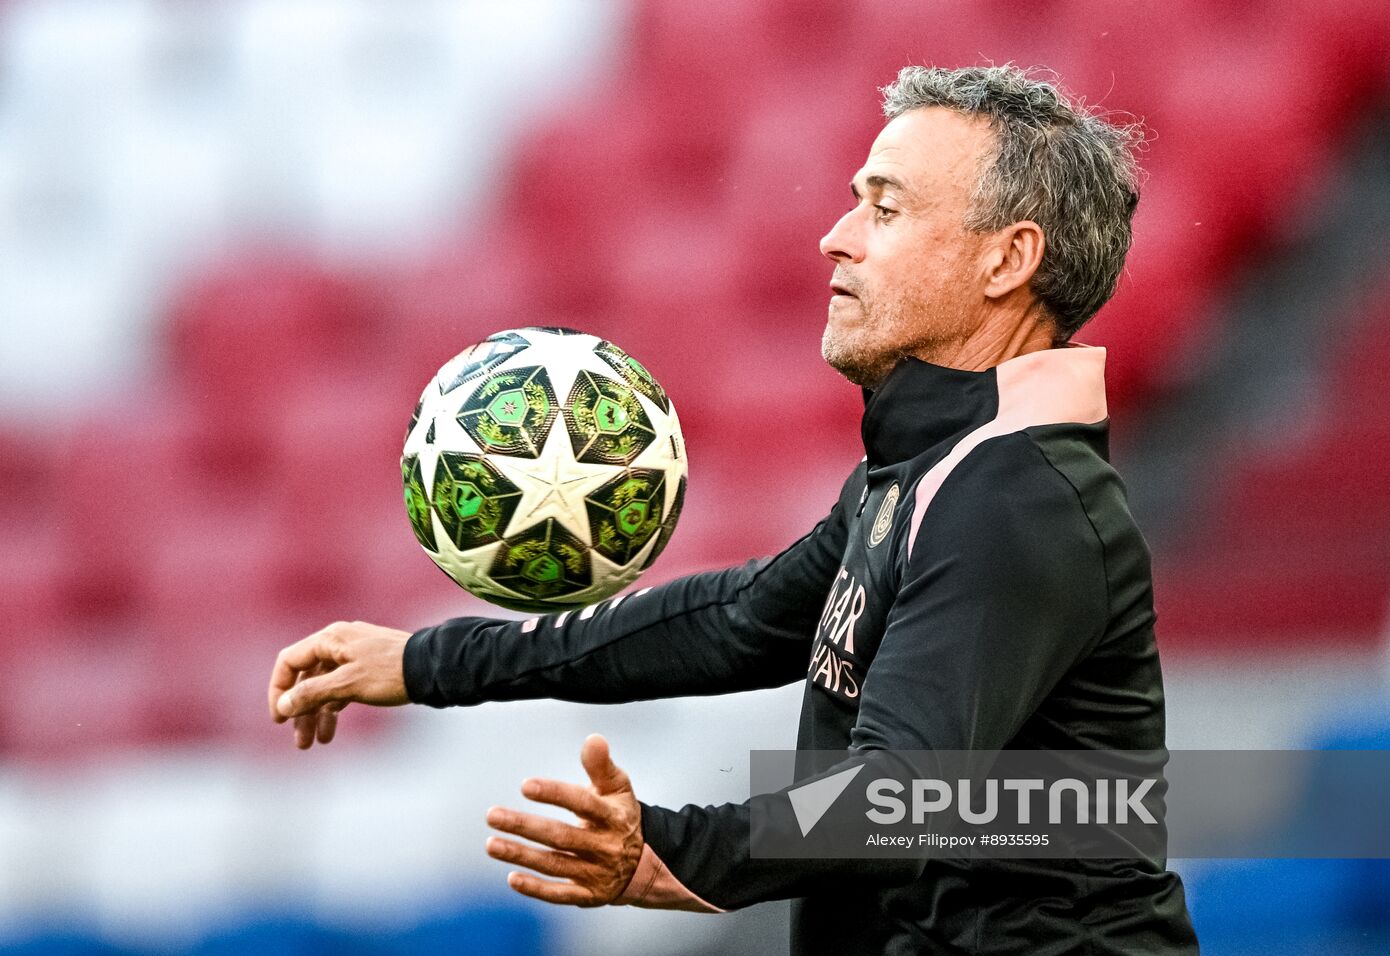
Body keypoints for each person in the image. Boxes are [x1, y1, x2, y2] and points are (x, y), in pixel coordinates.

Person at [267, 64, 1199, 954]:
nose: (837, 236)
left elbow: (894, 800)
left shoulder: (1013, 501)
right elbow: (740, 621)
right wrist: (431, 660)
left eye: (886, 207)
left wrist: (665, 849)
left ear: (1008, 259)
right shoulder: (935, 471)